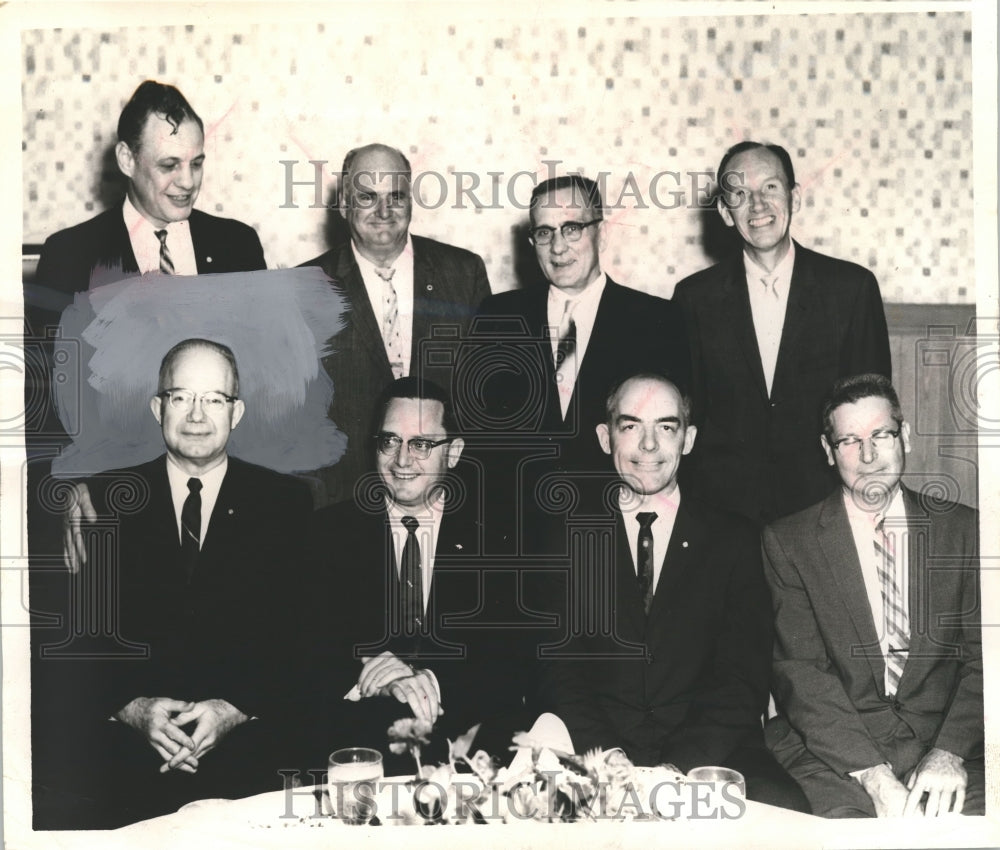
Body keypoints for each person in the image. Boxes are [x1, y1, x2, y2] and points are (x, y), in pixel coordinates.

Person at [32, 339, 312, 829]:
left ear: (237, 411)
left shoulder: (287, 503)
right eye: (181, 397)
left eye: (215, 399)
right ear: (158, 407)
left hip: (246, 759)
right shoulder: (101, 500)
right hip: (124, 765)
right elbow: (69, 640)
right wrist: (130, 708)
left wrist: (236, 708)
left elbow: (301, 636)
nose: (198, 415)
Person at [538, 373, 808, 812]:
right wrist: (607, 757)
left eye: (666, 427)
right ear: (605, 438)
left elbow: (743, 678)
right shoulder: (567, 538)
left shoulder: (734, 540)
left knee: (785, 810)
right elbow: (559, 671)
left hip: (711, 751)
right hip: (594, 750)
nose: (648, 446)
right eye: (630, 427)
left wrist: (678, 768)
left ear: (689, 438)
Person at [762, 373, 982, 818]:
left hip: (953, 750)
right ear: (828, 451)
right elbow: (802, 675)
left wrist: (950, 752)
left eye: (880, 435)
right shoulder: (789, 541)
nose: (868, 456)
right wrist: (874, 775)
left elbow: (988, 659)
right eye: (848, 441)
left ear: (906, 438)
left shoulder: (967, 531)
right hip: (836, 757)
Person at [309, 377, 528, 767]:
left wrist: (431, 680)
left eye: (421, 444)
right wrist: (375, 675)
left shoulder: (498, 541)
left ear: (454, 452)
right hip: (354, 753)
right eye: (389, 441)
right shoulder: (327, 533)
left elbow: (512, 663)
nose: (402, 460)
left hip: (464, 754)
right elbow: (305, 652)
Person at [672, 141, 891, 526]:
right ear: (725, 212)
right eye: (739, 194)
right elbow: (689, 416)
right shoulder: (694, 298)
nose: (757, 205)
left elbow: (871, 412)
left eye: (770, 187)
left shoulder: (851, 289)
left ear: (794, 197)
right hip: (723, 514)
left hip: (824, 509)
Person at [470, 175, 690, 551]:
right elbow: (481, 439)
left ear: (600, 234)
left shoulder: (657, 321)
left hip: (617, 539)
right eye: (544, 233)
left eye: (572, 228)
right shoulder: (497, 317)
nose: (558, 246)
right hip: (520, 541)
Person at [299, 144, 491, 505]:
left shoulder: (463, 273)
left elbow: (484, 399)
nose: (384, 211)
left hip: (447, 500)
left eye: (396, 197)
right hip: (344, 502)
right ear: (343, 205)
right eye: (368, 197)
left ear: (412, 201)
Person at [33, 80, 266, 299]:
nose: (187, 182)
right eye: (169, 165)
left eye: (196, 164)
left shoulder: (239, 245)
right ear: (127, 160)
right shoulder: (68, 256)